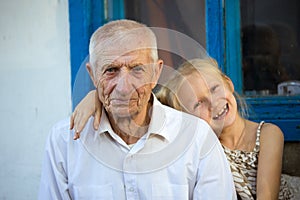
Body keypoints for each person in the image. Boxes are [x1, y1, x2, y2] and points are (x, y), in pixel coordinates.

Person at [39, 19, 236, 199]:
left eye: (137, 69)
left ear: (157, 72)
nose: (124, 89)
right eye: (110, 70)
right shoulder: (64, 141)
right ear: (92, 75)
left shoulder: (197, 138)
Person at [72, 58, 294, 199]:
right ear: (186, 117)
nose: (213, 103)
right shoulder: (195, 144)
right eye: (198, 104)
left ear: (228, 82)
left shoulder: (267, 134)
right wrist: (97, 97)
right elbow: (146, 104)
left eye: (215, 88)